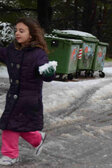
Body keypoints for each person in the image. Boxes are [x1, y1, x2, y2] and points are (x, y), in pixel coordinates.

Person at [0, 17, 56, 166]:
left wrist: (48, 72)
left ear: (31, 34)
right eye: (16, 30)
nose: (17, 33)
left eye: (21, 31)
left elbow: (47, 73)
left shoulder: (38, 53)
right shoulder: (11, 51)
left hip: (29, 98)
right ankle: (37, 139)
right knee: (19, 124)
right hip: (14, 95)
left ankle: (10, 155)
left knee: (10, 124)